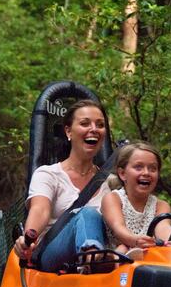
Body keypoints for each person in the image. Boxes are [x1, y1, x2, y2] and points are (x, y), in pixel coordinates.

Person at [13, 99, 111, 272]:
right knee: (88, 213)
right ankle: (93, 262)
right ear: (68, 131)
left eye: (100, 125)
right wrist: (29, 238)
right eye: (84, 123)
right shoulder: (48, 174)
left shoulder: (111, 182)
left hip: (105, 249)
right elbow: (40, 210)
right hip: (52, 255)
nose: (94, 129)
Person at [101, 141, 171, 258]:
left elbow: (163, 228)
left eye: (152, 169)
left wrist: (168, 242)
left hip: (149, 255)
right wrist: (135, 241)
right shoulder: (113, 198)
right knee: (123, 248)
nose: (146, 173)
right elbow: (118, 227)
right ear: (122, 174)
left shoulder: (161, 205)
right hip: (119, 253)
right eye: (138, 167)